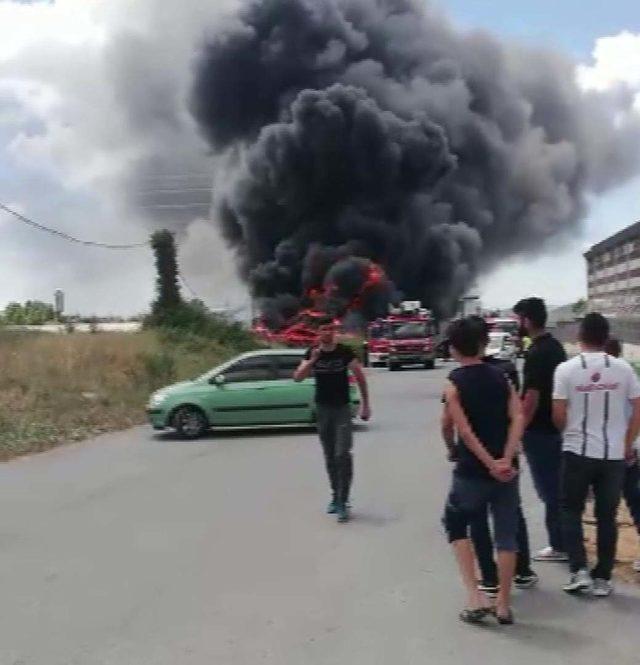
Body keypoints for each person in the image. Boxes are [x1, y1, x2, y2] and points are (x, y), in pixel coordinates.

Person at [441, 316, 537, 595]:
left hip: (472, 468)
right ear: (483, 343)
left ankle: (486, 583)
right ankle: (505, 602)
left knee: (468, 521)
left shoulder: (454, 382)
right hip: (507, 468)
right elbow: (518, 416)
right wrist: (505, 459)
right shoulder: (503, 376)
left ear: (454, 348)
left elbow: (457, 429)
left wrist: (455, 450)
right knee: (507, 532)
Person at [553, 314, 640, 596]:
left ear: (580, 335)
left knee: (570, 510)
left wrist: (571, 432)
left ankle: (579, 571)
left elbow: (558, 413)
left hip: (577, 452)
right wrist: (626, 443)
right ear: (606, 337)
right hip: (614, 455)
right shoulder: (624, 369)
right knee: (607, 515)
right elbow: (638, 408)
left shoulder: (565, 370)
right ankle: (603, 577)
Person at [294, 318, 371, 523]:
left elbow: (360, 376)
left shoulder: (344, 352)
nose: (327, 332)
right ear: (318, 333)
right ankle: (335, 496)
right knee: (329, 456)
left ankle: (343, 502)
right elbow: (298, 377)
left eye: (330, 329)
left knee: (342, 454)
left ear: (335, 331)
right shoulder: (312, 352)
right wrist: (313, 361)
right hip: (323, 410)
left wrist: (366, 404)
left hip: (342, 410)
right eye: (323, 329)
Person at [514, 297, 567, 562]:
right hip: (557, 427)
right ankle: (566, 540)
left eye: (518, 318)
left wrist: (519, 430)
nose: (516, 323)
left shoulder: (536, 353)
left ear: (528, 319)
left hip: (540, 431)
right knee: (557, 487)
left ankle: (559, 546)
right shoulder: (556, 348)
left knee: (548, 490)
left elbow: (531, 397)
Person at [603, 337, 640, 574]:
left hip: (617, 451)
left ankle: (606, 558)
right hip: (629, 449)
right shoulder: (630, 376)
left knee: (611, 506)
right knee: (634, 501)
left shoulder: (613, 381)